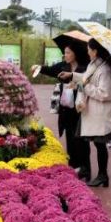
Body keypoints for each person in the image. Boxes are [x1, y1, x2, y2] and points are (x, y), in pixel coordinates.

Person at [33, 41, 90, 177]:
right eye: (64, 53)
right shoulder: (63, 66)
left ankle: (85, 168)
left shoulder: (84, 68)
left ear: (75, 53)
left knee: (81, 140)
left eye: (68, 52)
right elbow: (50, 70)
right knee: (70, 137)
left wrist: (76, 85)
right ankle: (73, 165)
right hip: (66, 109)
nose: (65, 55)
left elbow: (87, 85)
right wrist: (39, 68)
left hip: (79, 108)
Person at [75, 39, 111, 188]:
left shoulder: (105, 70)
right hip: (91, 113)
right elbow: (85, 78)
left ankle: (103, 175)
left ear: (95, 51)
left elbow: (105, 94)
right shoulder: (96, 65)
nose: (87, 51)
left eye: (89, 49)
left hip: (100, 114)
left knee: (100, 145)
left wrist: (86, 87)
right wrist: (73, 77)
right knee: (85, 140)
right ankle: (91, 171)